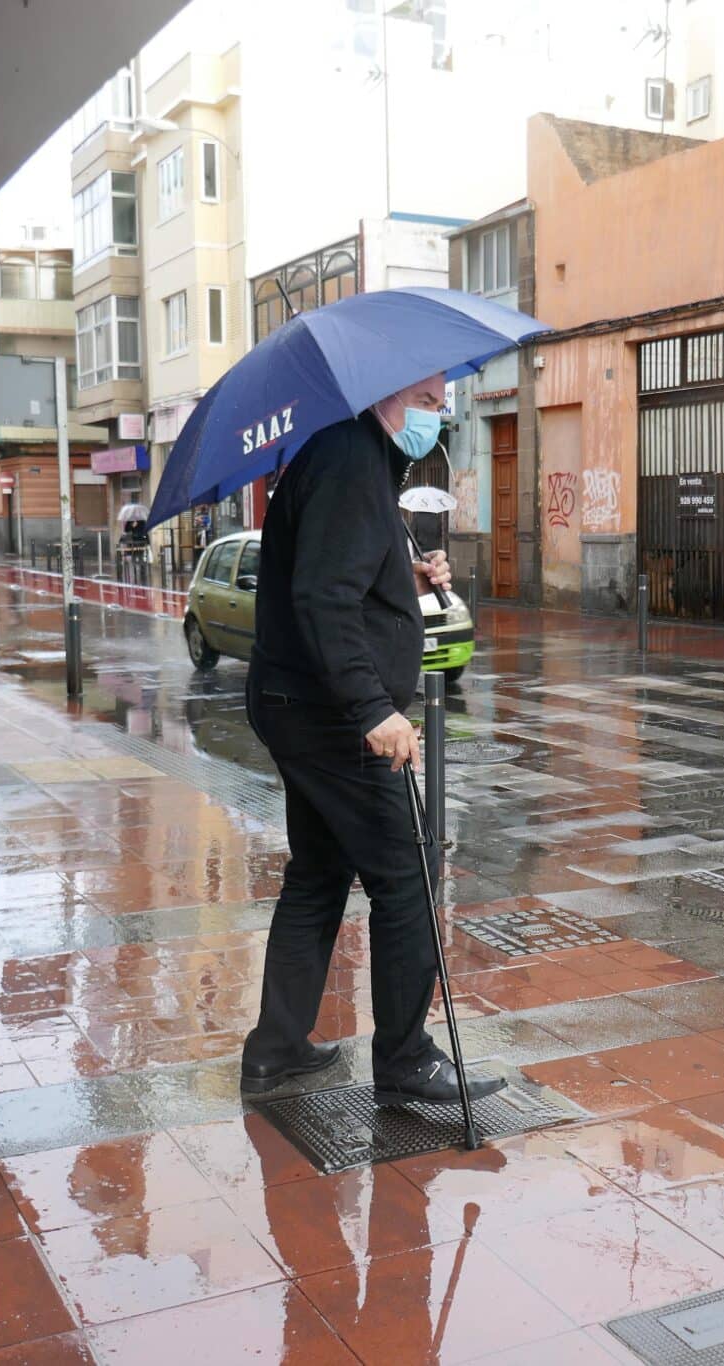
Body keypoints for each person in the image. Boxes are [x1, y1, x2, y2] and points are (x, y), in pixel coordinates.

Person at [242, 372, 505, 1108]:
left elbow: (342, 577)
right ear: (384, 397)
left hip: (300, 702)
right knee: (406, 875)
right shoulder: (353, 459)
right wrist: (373, 710)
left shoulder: (351, 458)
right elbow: (324, 598)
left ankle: (277, 1050)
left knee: (319, 872)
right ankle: (406, 1059)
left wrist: (409, 576)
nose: (439, 416)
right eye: (426, 401)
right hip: (331, 714)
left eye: (442, 403)